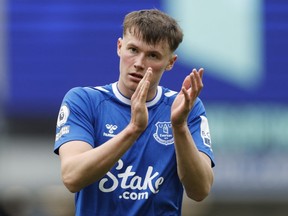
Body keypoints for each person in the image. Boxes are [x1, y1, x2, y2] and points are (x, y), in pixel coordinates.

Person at [54, 9, 215, 216]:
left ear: (170, 63)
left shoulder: (185, 107)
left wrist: (179, 127)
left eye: (153, 55)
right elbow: (71, 177)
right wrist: (133, 130)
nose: (139, 63)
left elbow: (200, 190)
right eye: (133, 50)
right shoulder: (84, 101)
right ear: (119, 47)